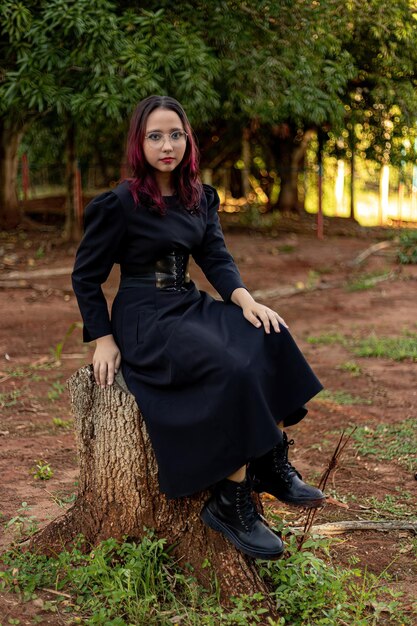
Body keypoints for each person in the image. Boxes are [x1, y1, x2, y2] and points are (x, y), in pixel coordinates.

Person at [72, 95, 325, 561]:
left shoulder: (199, 196)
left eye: (175, 135)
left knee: (268, 334)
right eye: (155, 136)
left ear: (187, 140)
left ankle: (269, 459)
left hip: (187, 302)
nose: (166, 145)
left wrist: (246, 300)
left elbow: (215, 257)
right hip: (144, 316)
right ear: (139, 143)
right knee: (231, 367)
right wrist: (103, 337)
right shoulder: (119, 203)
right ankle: (230, 501)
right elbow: (86, 276)